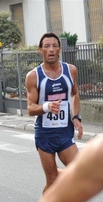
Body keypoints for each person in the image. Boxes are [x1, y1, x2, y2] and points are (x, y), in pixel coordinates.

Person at [26, 32, 83, 193]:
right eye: (47, 46)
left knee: (80, 172)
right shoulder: (33, 76)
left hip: (65, 132)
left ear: (59, 49)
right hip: (45, 135)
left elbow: (74, 94)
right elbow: (30, 108)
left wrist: (76, 116)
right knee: (52, 181)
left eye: (54, 46)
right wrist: (46, 107)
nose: (51, 49)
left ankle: (56, 171)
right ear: (40, 50)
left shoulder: (70, 71)